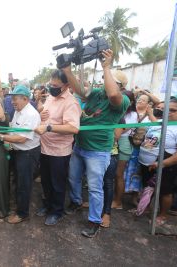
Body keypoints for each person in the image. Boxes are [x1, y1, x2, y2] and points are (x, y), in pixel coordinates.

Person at [64, 49, 130, 238]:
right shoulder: (97, 94)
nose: (103, 81)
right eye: (104, 77)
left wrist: (107, 66)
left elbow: (113, 95)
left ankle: (94, 220)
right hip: (80, 147)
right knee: (73, 178)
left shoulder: (122, 99)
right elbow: (81, 92)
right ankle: (76, 201)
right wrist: (68, 71)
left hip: (98, 151)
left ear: (120, 86)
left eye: (108, 79)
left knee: (94, 188)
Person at [0, 85, 41, 224]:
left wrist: (0, 137)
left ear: (25, 99)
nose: (12, 102)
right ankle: (18, 205)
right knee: (18, 180)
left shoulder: (31, 114)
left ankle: (22, 214)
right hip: (18, 151)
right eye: (12, 99)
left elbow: (22, 138)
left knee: (24, 183)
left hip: (27, 153)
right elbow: (13, 128)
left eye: (15, 99)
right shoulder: (19, 110)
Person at [33, 70, 81, 226]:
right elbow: (46, 116)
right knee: (46, 181)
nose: (51, 88)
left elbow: (73, 128)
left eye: (55, 85)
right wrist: (41, 117)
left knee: (57, 183)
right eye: (50, 84)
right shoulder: (51, 98)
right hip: (44, 147)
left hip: (59, 151)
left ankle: (56, 211)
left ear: (66, 85)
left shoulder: (70, 102)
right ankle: (47, 205)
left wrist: (48, 127)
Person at [138, 97, 177, 225]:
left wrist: (162, 163)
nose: (168, 112)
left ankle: (163, 215)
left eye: (173, 110)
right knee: (148, 186)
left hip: (166, 165)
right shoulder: (164, 121)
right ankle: (146, 207)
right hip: (149, 163)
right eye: (166, 110)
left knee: (165, 191)